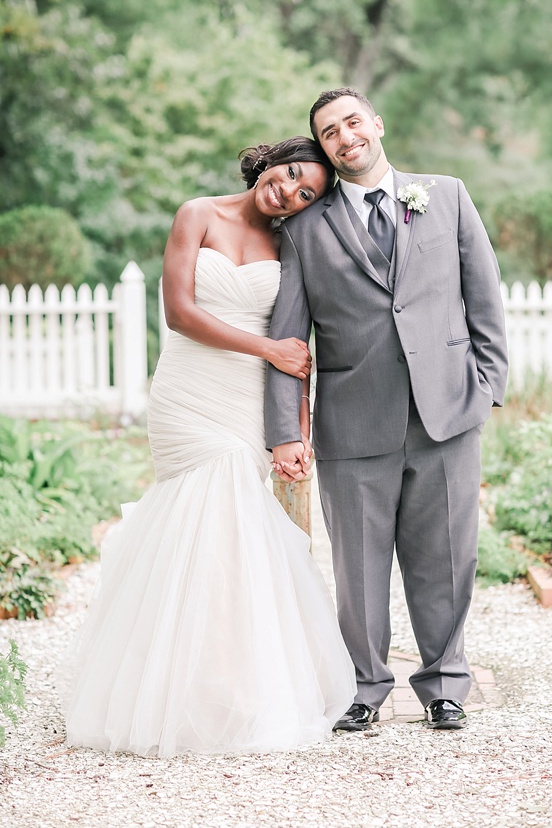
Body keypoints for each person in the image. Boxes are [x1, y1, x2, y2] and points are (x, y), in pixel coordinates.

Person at [60, 136, 356, 757]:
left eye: (306, 195)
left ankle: (228, 688)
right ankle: (171, 690)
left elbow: (296, 344)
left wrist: (293, 429)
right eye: (292, 175)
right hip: (190, 389)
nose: (290, 193)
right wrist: (268, 349)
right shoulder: (198, 213)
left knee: (227, 536)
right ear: (272, 162)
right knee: (204, 508)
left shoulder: (291, 244)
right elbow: (179, 312)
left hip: (250, 398)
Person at [266, 89, 509, 731]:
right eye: (330, 133)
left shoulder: (448, 195)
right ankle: (366, 687)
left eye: (352, 122)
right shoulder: (302, 230)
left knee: (448, 559)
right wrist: (282, 430)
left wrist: (486, 386)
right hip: (353, 420)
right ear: (324, 148)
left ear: (376, 123)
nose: (346, 137)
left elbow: (485, 296)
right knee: (359, 568)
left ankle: (444, 684)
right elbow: (289, 343)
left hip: (447, 412)